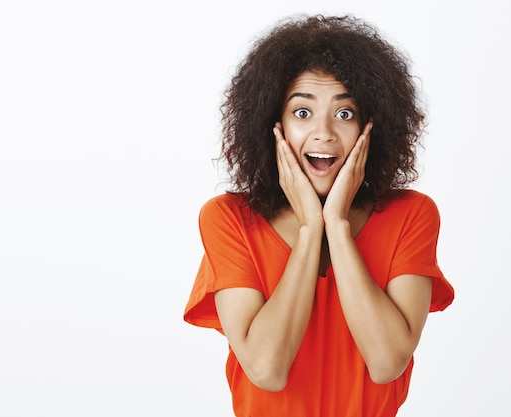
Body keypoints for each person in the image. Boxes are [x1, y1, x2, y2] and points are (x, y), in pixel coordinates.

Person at [183, 14, 454, 417]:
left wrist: (337, 227)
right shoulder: (228, 219)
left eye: (344, 113)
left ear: (370, 127)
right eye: (303, 112)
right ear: (271, 124)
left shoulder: (412, 215)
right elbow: (267, 369)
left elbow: (386, 363)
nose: (324, 133)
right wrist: (311, 228)